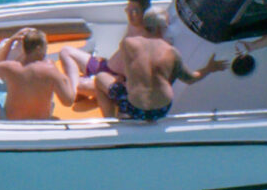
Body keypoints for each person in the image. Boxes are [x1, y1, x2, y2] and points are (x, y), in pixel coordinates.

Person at [96, 10, 225, 122]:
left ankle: (111, 121)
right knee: (170, 72)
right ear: (161, 28)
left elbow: (129, 72)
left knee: (100, 78)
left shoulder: (127, 44)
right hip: (161, 110)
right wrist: (210, 68)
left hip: (134, 108)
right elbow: (190, 79)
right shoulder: (172, 52)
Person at [57, 0, 151, 96]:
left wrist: (121, 79)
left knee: (80, 85)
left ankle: (77, 89)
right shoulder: (132, 25)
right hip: (104, 65)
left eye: (134, 12)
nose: (130, 15)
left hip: (114, 77)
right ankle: (74, 92)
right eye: (127, 10)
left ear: (145, 13)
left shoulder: (146, 37)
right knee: (65, 51)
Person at [0, 27, 77, 120]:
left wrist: (11, 41)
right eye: (46, 45)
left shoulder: (13, 67)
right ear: (39, 49)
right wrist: (67, 79)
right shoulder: (51, 71)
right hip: (41, 120)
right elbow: (68, 101)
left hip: (11, 119)